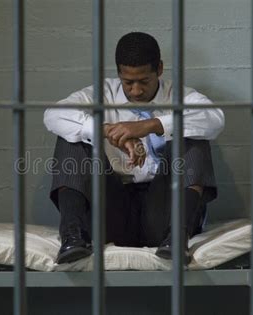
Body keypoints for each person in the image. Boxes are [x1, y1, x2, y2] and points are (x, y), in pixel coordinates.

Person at [43, 32, 225, 264]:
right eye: (128, 82)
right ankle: (72, 236)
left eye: (144, 81)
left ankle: (178, 237)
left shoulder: (179, 95)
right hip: (112, 210)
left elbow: (215, 119)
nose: (136, 91)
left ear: (159, 69)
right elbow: (53, 114)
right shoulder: (102, 93)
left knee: (193, 133)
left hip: (164, 212)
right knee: (72, 136)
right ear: (118, 72)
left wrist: (150, 126)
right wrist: (108, 131)